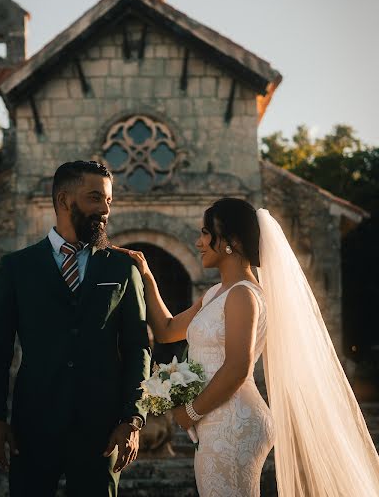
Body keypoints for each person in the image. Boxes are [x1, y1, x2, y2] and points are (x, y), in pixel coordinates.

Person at [118, 198, 379, 496]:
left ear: (232, 242)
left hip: (235, 421)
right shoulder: (216, 293)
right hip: (217, 420)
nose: (199, 242)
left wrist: (189, 412)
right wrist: (146, 275)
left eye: (206, 233)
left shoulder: (244, 295)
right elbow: (166, 331)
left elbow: (238, 367)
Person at [0, 160, 150, 497]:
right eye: (94, 198)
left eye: (108, 201)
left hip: (101, 429)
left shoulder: (122, 267)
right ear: (63, 200)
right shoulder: (17, 267)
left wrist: (133, 417)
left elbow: (137, 347)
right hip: (32, 425)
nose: (104, 209)